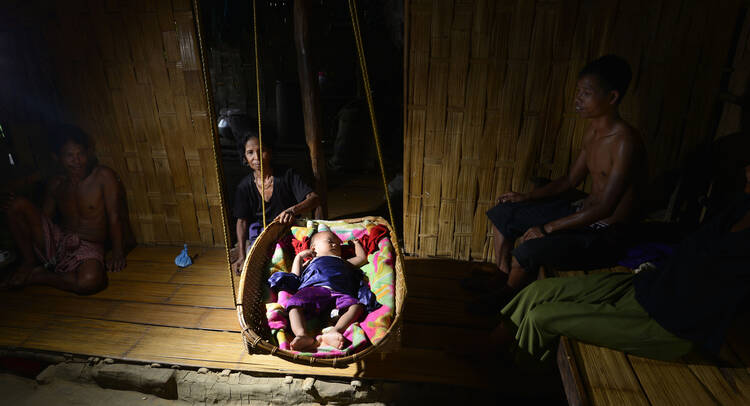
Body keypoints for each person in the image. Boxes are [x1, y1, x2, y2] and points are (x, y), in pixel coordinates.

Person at [489, 161, 750, 363]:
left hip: (671, 324)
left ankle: (520, 377)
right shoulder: (739, 209)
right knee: (536, 291)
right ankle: (492, 347)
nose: (747, 170)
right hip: (648, 284)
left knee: (541, 318)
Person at [474, 55, 648, 303]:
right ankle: (501, 276)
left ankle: (506, 298)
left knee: (529, 248)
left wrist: (547, 228)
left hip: (606, 233)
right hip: (582, 212)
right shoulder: (593, 132)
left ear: (611, 98)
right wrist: (526, 197)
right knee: (505, 213)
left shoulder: (625, 142)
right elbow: (569, 181)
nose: (578, 98)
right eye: (578, 91)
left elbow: (606, 207)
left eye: (586, 93)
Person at [1, 125, 134, 294]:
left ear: (88, 153)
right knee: (16, 204)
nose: (77, 161)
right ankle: (28, 263)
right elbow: (44, 220)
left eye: (80, 154)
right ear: (57, 158)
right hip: (59, 240)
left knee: (90, 282)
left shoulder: (102, 177)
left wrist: (118, 252)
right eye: (69, 156)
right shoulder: (56, 183)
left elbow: (115, 217)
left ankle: (38, 276)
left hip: (89, 245)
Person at [268, 230, 380, 351]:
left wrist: (357, 243)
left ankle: (335, 331)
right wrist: (299, 256)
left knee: (357, 307)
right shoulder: (311, 262)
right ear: (313, 248)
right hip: (313, 290)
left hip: (339, 293)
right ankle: (302, 334)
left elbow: (362, 258)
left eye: (338, 243)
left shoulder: (343, 262)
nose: (335, 245)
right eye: (330, 242)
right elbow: (295, 275)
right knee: (293, 303)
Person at [231, 132, 320, 274]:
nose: (257, 157)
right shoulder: (244, 186)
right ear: (245, 157)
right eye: (250, 153)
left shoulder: (287, 175)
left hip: (289, 229)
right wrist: (242, 256)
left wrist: (292, 210)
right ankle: (244, 250)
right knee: (254, 265)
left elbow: (314, 198)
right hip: (263, 233)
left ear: (270, 152)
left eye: (262, 151)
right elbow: (241, 222)